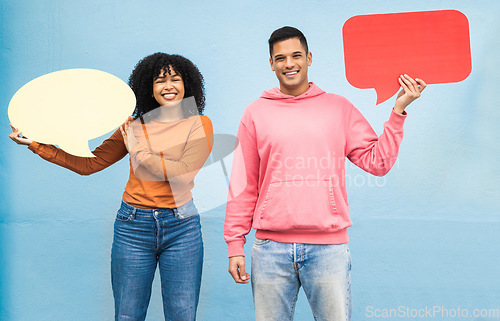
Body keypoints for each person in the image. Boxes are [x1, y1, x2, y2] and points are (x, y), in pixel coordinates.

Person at [223, 26, 426, 321]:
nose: (289, 64)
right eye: (280, 58)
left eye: (296, 56)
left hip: (328, 250)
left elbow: (377, 163)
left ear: (309, 58)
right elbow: (244, 184)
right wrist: (234, 244)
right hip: (269, 251)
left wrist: (398, 112)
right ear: (271, 64)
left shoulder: (338, 108)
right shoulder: (255, 113)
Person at [9, 52, 213, 321]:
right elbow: (88, 165)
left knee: (182, 315)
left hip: (181, 227)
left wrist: (137, 151)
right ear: (149, 88)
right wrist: (36, 145)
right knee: (128, 314)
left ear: (187, 84)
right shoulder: (132, 127)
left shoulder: (199, 124)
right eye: (160, 81)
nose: (168, 86)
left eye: (175, 79)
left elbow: (181, 175)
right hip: (133, 227)